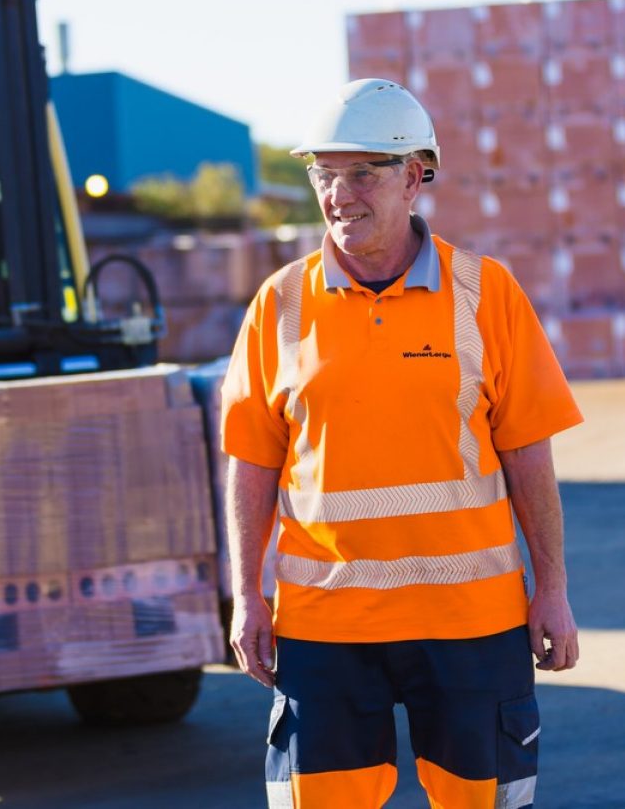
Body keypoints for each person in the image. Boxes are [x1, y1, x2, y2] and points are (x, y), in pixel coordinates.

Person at [219, 78, 583, 809]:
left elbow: (527, 455)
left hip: (470, 623)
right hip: (325, 625)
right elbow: (252, 460)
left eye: (363, 171)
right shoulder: (279, 304)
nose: (339, 192)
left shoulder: (486, 294)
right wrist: (245, 595)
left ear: (416, 176)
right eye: (324, 172)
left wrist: (553, 588)